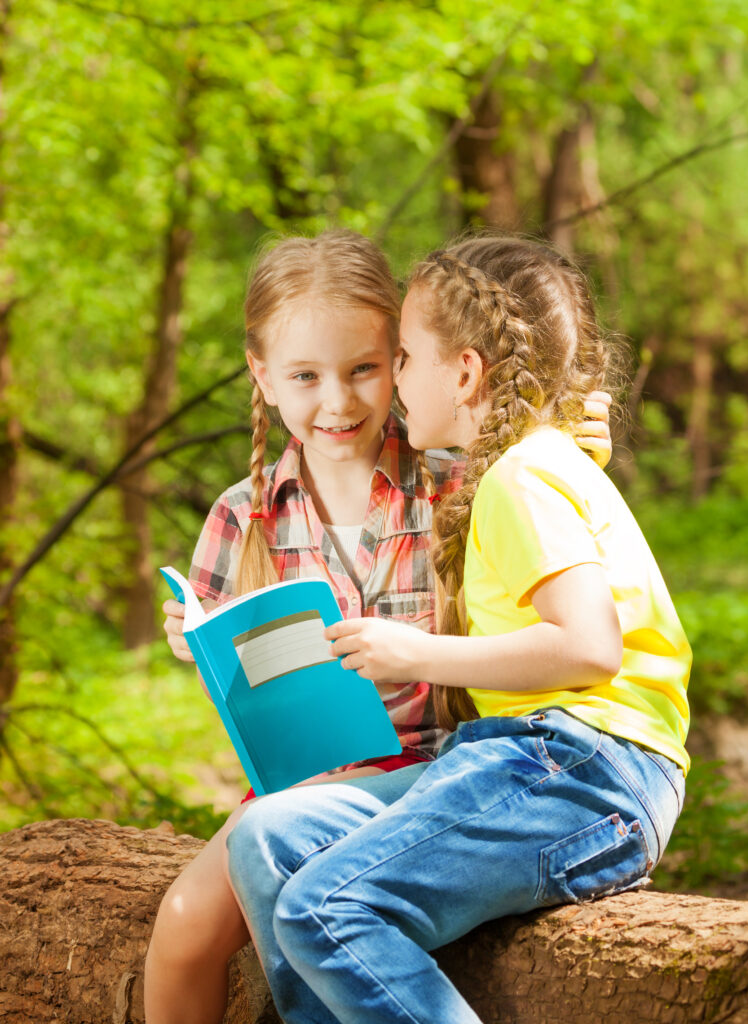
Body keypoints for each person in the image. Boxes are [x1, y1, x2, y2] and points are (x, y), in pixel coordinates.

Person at [143, 229, 612, 1024]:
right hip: (305, 779)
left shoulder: (458, 483)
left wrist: (576, 437)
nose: (340, 401)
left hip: (444, 770)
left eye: (364, 368)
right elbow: (244, 685)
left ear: (400, 358)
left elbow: (546, 534)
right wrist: (200, 646)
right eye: (305, 376)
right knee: (186, 923)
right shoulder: (242, 516)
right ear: (262, 374)